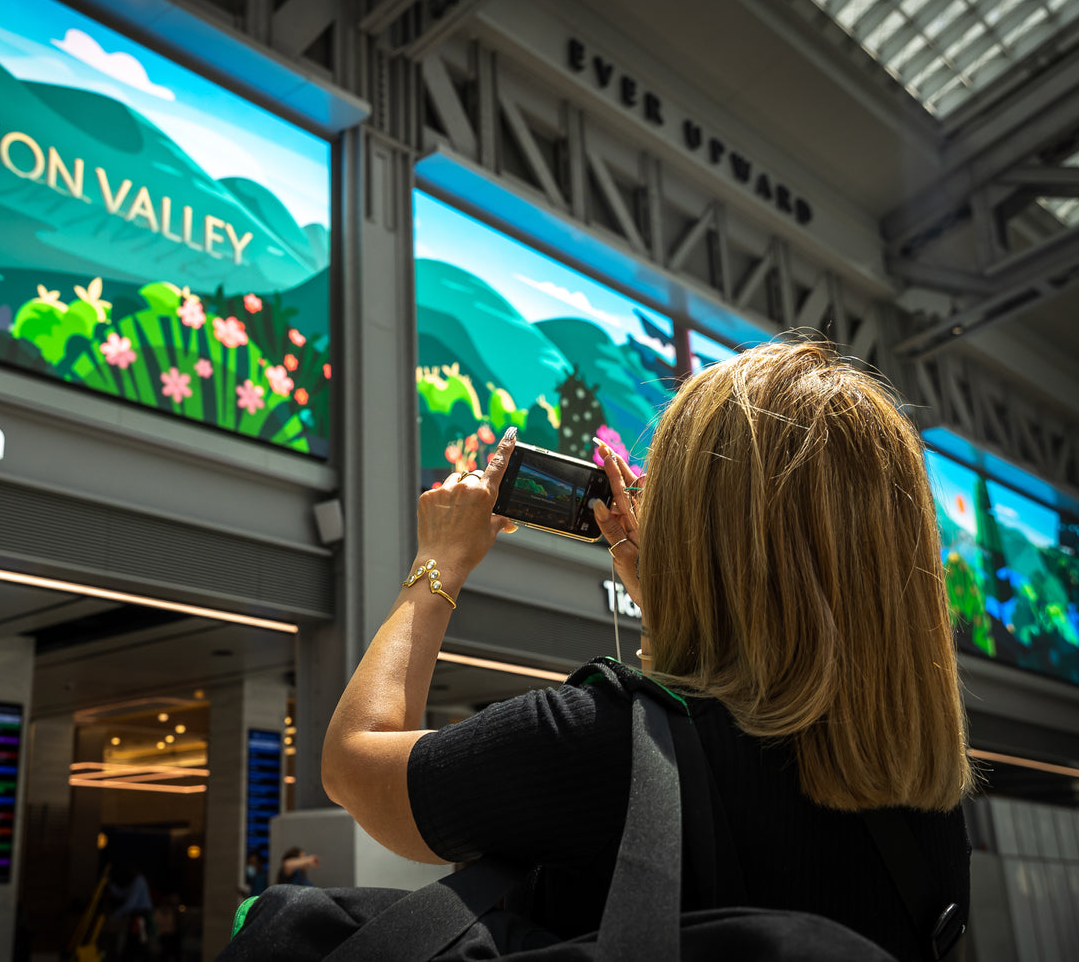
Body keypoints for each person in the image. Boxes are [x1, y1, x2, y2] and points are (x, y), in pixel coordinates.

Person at [322, 340, 973, 961]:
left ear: (697, 527)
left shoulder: (604, 745)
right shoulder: (929, 802)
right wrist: (668, 599)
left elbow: (353, 765)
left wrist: (436, 566)